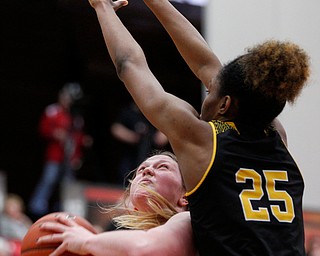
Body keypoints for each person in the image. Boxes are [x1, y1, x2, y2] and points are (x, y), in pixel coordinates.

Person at [84, 0, 310, 255]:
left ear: (224, 105)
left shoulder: (204, 141)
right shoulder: (276, 134)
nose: (207, 90)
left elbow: (130, 66)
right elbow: (208, 67)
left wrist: (102, 7)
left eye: (210, 91)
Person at [37, 151, 197, 255]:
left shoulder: (187, 221)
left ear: (185, 196)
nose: (147, 171)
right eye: (141, 170)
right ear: (133, 205)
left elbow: (146, 248)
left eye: (163, 167)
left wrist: (87, 241)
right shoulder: (121, 243)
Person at [28, 83, 93, 220]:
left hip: (70, 158)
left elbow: (77, 138)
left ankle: (67, 211)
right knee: (49, 179)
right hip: (55, 155)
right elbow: (43, 129)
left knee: (68, 184)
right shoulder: (53, 111)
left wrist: (80, 149)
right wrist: (55, 133)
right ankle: (37, 209)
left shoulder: (76, 117)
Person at [111, 101, 168, 185]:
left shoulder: (154, 114)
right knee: (125, 179)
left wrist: (162, 134)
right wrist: (131, 137)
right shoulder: (129, 112)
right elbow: (116, 129)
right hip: (131, 155)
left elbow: (165, 133)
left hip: (151, 154)